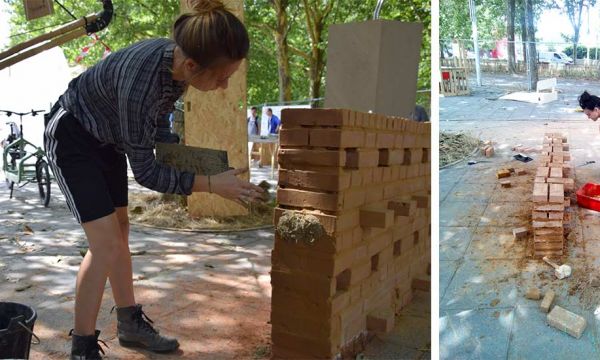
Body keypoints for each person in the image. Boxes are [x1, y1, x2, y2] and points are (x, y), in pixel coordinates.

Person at [43, 1, 264, 358]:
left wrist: (180, 155)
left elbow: (157, 120)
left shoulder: (178, 69)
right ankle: (82, 347)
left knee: (121, 230)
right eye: (222, 78)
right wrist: (209, 184)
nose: (224, 87)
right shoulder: (141, 81)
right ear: (193, 65)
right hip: (73, 135)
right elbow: (145, 172)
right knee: (106, 245)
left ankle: (129, 325)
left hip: (108, 139)